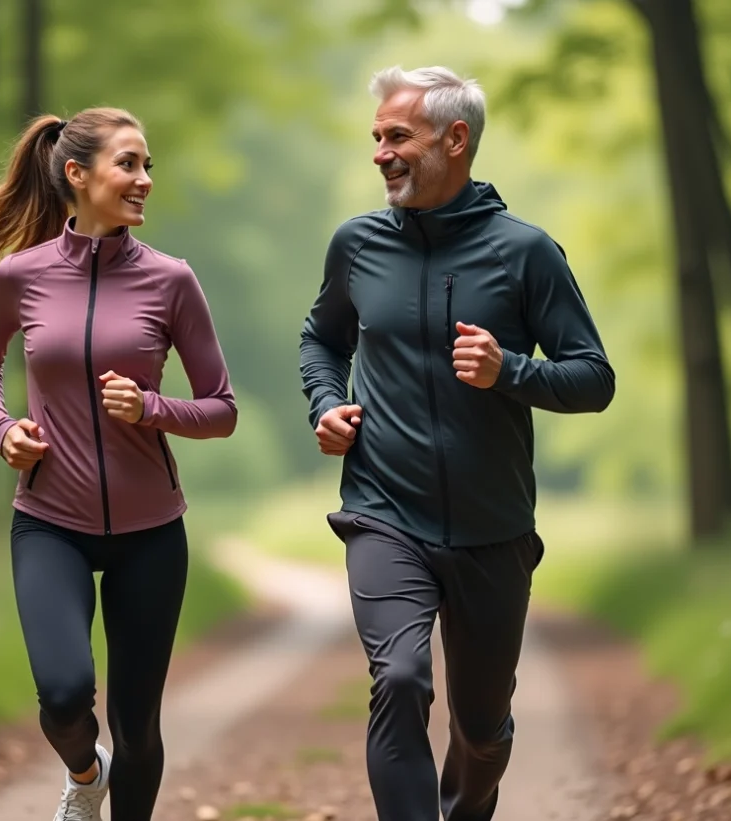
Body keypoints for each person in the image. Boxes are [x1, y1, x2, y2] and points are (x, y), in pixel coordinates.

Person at [299, 65, 615, 821]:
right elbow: (321, 338)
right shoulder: (358, 245)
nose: (381, 152)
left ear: (456, 138)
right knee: (400, 677)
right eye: (376, 137)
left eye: (397, 136)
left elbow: (593, 378)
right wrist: (326, 402)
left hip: (491, 526)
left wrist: (509, 369)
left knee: (480, 730)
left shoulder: (526, 252)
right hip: (384, 510)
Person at [0, 107, 237, 821]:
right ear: (77, 173)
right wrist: (1, 427)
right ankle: (85, 775)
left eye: (147, 165)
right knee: (64, 697)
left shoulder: (171, 281)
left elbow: (221, 407)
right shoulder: (22, 275)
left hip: (151, 531)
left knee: (138, 724)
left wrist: (153, 408)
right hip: (50, 523)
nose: (145, 180)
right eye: (129, 164)